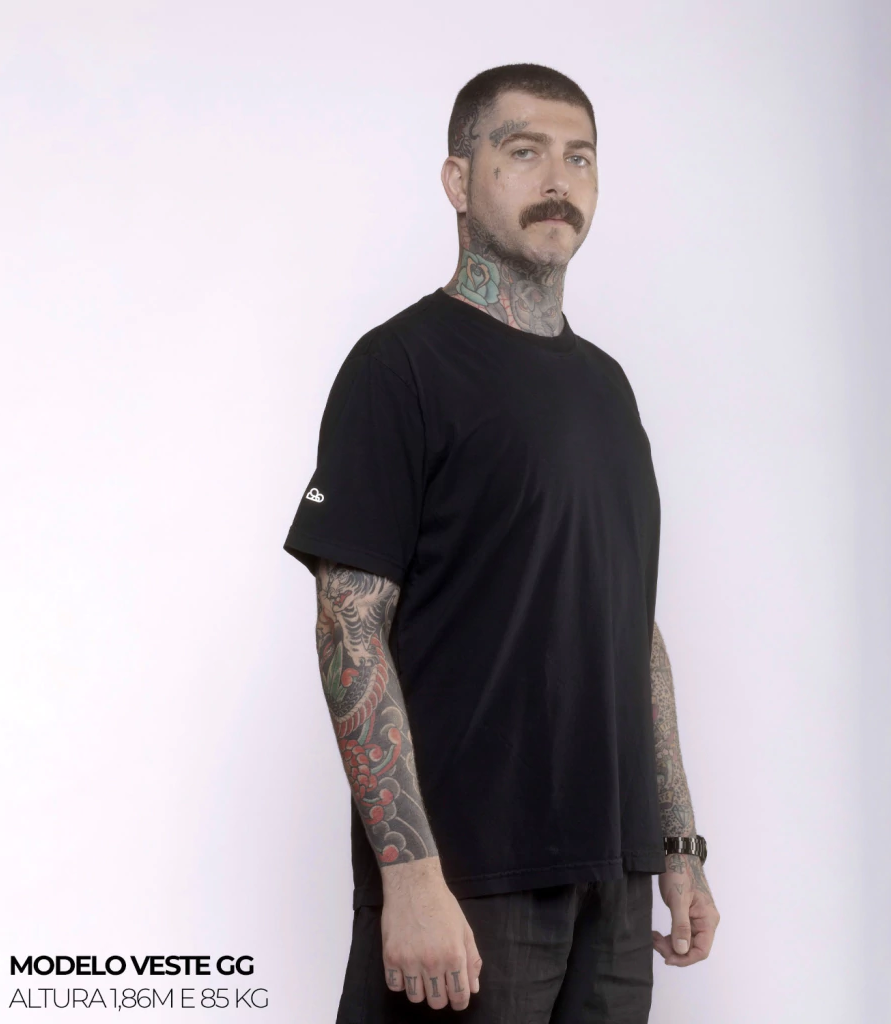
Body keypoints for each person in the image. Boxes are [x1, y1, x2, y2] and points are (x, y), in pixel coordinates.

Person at [283, 63, 719, 1024]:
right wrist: (409, 876)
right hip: (469, 881)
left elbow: (634, 632)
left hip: (613, 881)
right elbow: (348, 626)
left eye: (579, 158)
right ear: (457, 179)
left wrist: (677, 846)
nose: (558, 180)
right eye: (523, 152)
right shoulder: (399, 367)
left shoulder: (608, 388)